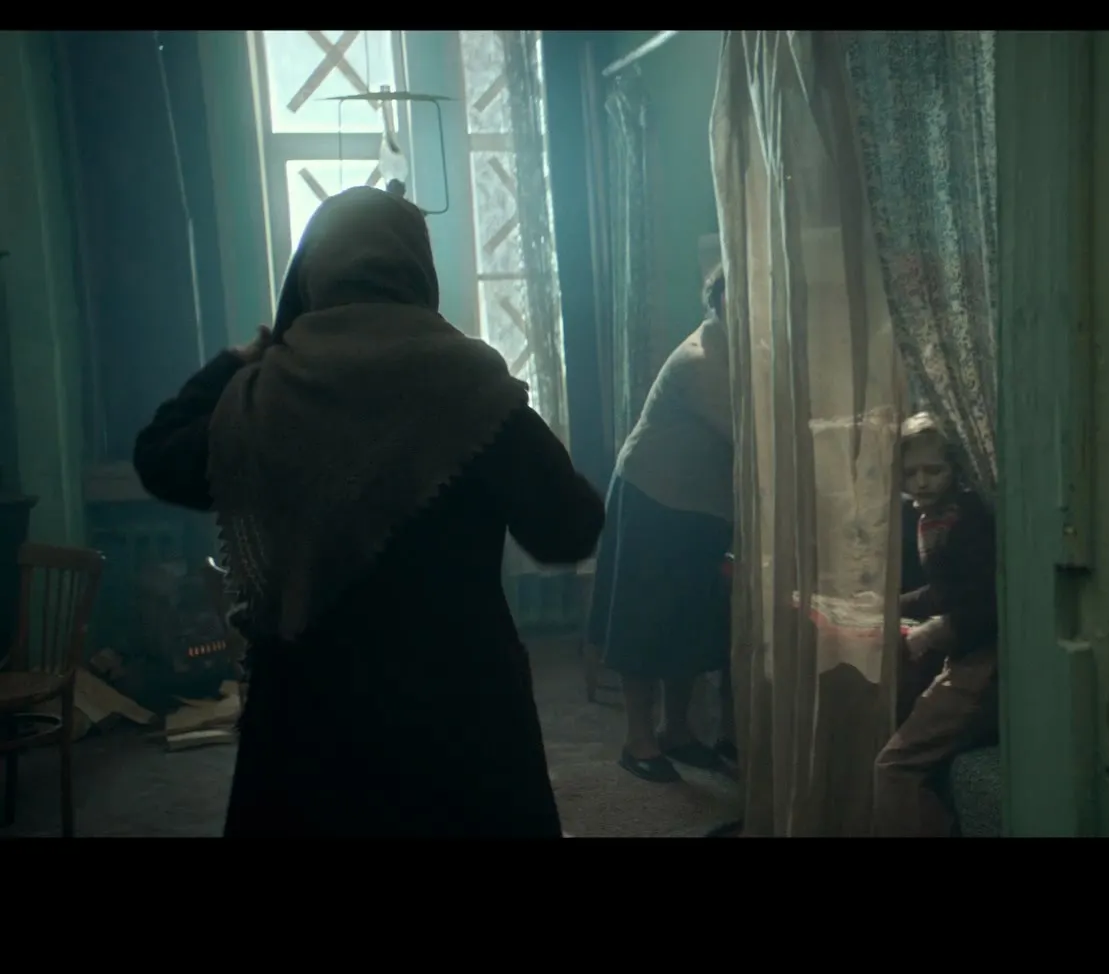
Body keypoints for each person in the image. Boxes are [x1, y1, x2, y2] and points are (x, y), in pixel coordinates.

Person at [133, 185, 604, 838]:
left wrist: (238, 360)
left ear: (312, 276)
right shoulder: (471, 386)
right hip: (462, 716)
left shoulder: (264, 395)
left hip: (310, 726)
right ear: (417, 270)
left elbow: (159, 457)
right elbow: (570, 530)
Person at [585, 264, 734, 783]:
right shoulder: (701, 360)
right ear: (718, 302)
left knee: (687, 621)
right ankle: (638, 739)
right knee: (644, 624)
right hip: (654, 498)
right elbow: (751, 435)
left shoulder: (737, 353)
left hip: (701, 507)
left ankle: (677, 730)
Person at [873, 412, 998, 837]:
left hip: (984, 659)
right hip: (966, 656)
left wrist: (934, 630)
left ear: (954, 468)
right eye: (911, 473)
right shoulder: (930, 517)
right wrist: (891, 606)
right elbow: (946, 589)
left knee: (894, 767)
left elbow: (987, 601)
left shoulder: (968, 516)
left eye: (933, 470)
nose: (922, 481)